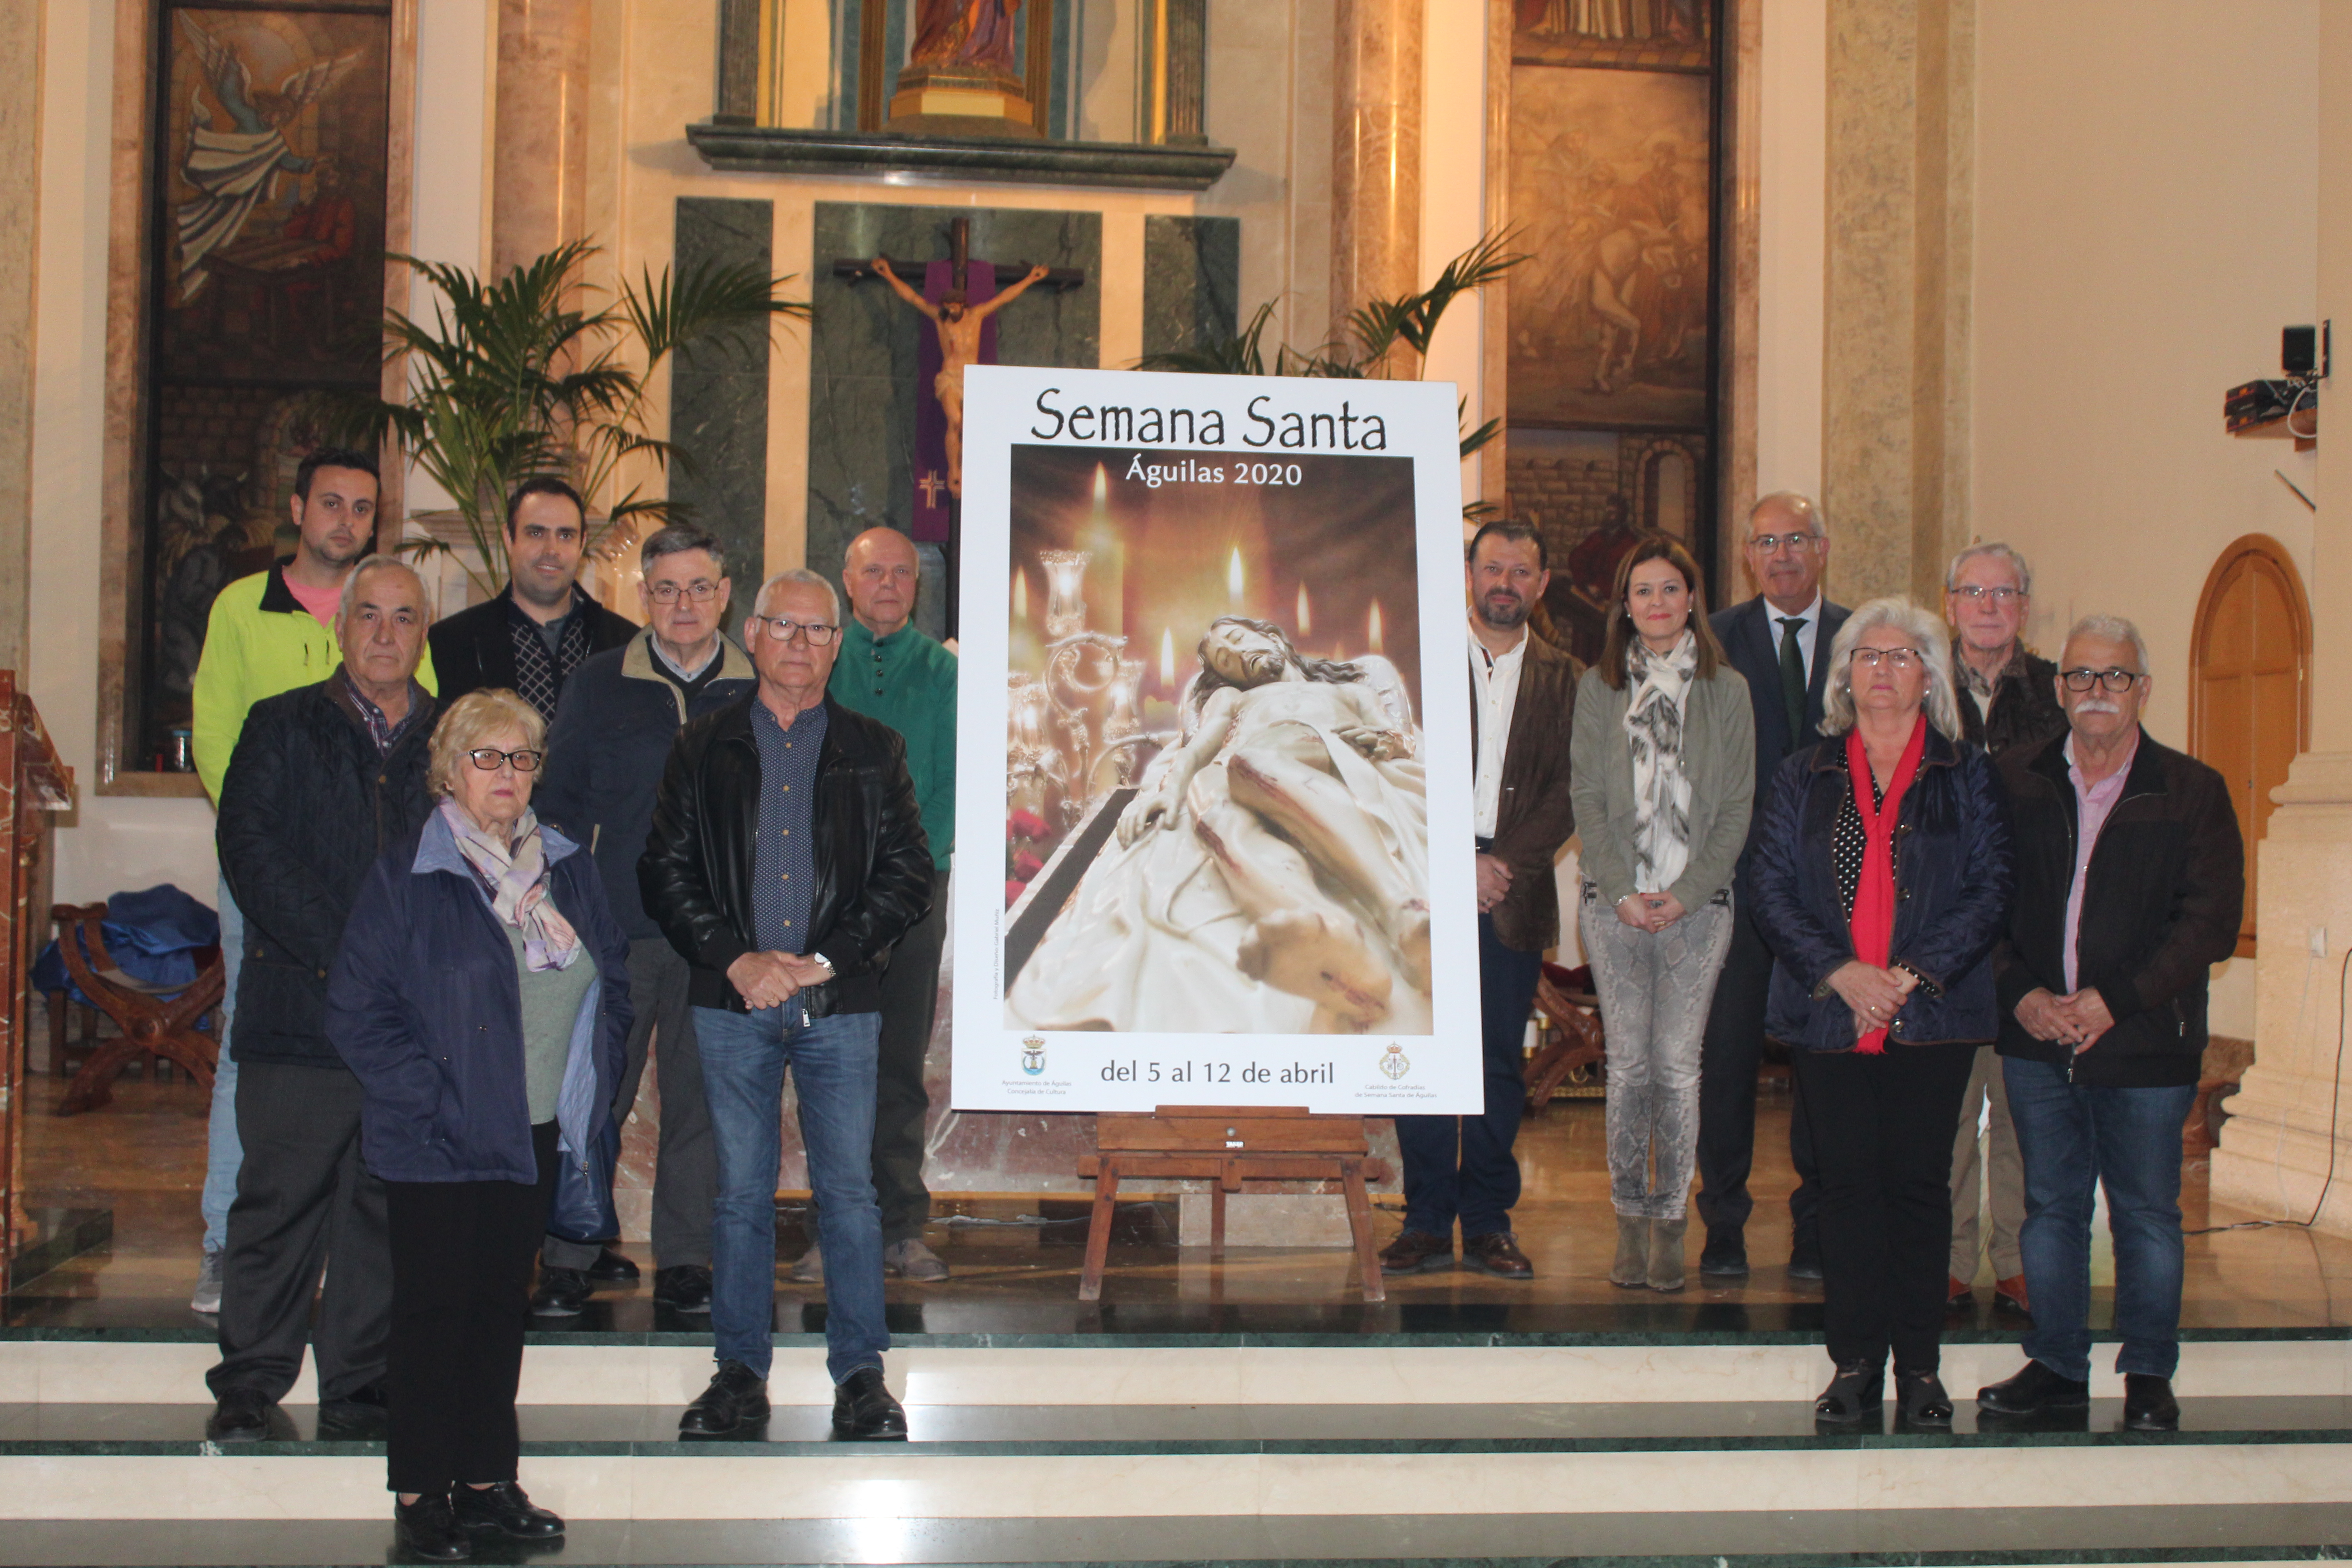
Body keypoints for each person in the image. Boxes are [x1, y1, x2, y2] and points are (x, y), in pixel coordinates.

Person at [328, 690, 632, 1562]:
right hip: (438, 1132)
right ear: (448, 769)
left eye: (522, 758)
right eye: (486, 757)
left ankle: (486, 1479)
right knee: (434, 1312)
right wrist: (430, 1094)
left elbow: (610, 975)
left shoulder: (566, 866)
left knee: (500, 1307)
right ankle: (422, 1492)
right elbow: (355, 1009)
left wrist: (590, 1085)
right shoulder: (411, 872)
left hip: (531, 1127)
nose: (507, 773)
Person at [639, 569, 934, 1440]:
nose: (800, 644)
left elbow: (907, 873)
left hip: (838, 1004)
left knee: (849, 1195)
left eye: (817, 631)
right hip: (732, 1001)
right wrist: (735, 959)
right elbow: (663, 868)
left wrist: (824, 961)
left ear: (836, 647)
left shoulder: (874, 750)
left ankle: (861, 1378)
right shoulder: (702, 745)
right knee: (738, 1196)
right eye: (784, 626)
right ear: (752, 633)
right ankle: (738, 1376)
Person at [1749, 598, 2012, 1427]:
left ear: (1928, 677)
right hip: (1829, 1011)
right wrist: (1841, 973)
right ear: (1844, 676)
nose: (1883, 670)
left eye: (1901, 657)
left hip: (1928, 1013)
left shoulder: (1966, 772)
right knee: (1845, 1190)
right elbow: (1769, 886)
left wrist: (1907, 976)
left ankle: (1921, 1369)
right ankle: (1855, 1363)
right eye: (1868, 656)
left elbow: (1990, 886)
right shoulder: (1803, 773)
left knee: (1919, 1188)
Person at [1978, 615, 2243, 1434]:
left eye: (2115, 676)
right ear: (2059, 689)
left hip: (2144, 1043)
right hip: (2036, 1039)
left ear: (2142, 689)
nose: (2097, 690)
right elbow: (1980, 901)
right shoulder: (2012, 780)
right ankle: (2057, 1365)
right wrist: (2021, 993)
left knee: (2145, 1215)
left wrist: (2113, 1000)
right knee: (2050, 1210)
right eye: (2081, 676)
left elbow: (2209, 923)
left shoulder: (2191, 790)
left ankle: (2148, 1375)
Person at [203, 556, 441, 1443]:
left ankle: (361, 1381)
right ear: (340, 629)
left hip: (406, 1027)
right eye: (368, 614)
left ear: (423, 635)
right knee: (278, 1204)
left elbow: (478, 856)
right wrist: (350, 954)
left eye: (403, 617)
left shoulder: (451, 739)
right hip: (298, 1014)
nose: (384, 633)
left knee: (380, 1208)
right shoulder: (280, 723)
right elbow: (250, 847)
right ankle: (250, 1380)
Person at [187, 446, 427, 1314]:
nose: (346, 520)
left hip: (379, 892)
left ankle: (349, 1258)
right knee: (251, 1054)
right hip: (273, 877)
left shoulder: (391, 604)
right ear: (297, 509)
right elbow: (218, 738)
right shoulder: (240, 605)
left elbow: (427, 751)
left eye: (362, 507)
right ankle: (226, 1240)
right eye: (331, 503)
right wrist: (276, 850)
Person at [527, 526, 757, 1317]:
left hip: (717, 942)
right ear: (643, 597)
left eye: (698, 587)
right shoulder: (599, 683)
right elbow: (557, 805)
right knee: (593, 1097)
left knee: (700, 1106)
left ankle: (687, 1258)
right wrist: (566, 910)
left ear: (724, 594)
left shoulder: (759, 685)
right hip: (614, 933)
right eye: (666, 589)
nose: (683, 603)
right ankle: (568, 1253)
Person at [1007, 614, 1428, 1034]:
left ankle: (1401, 912)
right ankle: (1329, 940)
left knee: (1253, 763)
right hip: (1235, 766)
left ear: (1272, 637)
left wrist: (1386, 741)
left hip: (1314, 749)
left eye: (1239, 640)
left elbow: (1397, 736)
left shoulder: (1349, 691)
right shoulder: (1232, 699)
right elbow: (1199, 748)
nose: (1238, 656)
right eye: (1225, 661)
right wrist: (1170, 790)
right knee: (1213, 806)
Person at [1383, 520, 1577, 1280]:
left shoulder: (1567, 678)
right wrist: (1452, 863)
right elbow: (1394, 771)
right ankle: (1426, 1220)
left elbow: (1570, 789)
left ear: (1541, 583)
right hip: (1424, 886)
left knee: (1498, 1060)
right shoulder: (1419, 662)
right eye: (1493, 568)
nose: (1505, 583)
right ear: (1469, 573)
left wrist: (1499, 864)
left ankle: (1490, 1221)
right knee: (1423, 1053)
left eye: (1521, 571)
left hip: (1510, 890)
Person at [1569, 539, 1753, 1294]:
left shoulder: (1727, 691)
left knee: (1676, 1068)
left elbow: (1736, 805)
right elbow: (1586, 796)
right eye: (1642, 590)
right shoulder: (1598, 687)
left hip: (1697, 907)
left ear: (1691, 599)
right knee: (1628, 1068)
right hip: (1612, 905)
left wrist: (1688, 891)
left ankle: (1670, 1222)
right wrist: (1619, 889)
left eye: (1669, 589)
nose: (1656, 603)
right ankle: (1629, 1220)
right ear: (1624, 604)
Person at [793, 527, 959, 1286]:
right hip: (826, 894)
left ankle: (900, 1228)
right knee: (832, 1064)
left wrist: (909, 871)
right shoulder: (818, 663)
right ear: (848, 581)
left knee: (898, 1064)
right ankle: (833, 1228)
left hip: (916, 893)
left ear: (916, 587)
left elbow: (953, 784)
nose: (888, 584)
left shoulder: (946, 673)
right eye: (874, 572)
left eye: (901, 572)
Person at [1698, 491, 1852, 1280]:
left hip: (1833, 895)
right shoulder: (1714, 640)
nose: (1782, 554)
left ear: (1822, 549)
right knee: (1725, 1059)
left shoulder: (1860, 639)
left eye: (1796, 539)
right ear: (1747, 556)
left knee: (1822, 1064)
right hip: (1735, 885)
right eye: (1767, 542)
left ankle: (1816, 1228)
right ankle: (1723, 1223)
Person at [1940, 541, 2067, 1314]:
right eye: (1973, 592)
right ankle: (1949, 1258)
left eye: (2004, 593)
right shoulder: (1920, 682)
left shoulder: (2057, 690)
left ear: (2023, 605)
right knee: (1948, 1107)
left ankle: (2019, 1259)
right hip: (1943, 929)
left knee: (2022, 1105)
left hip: (2030, 926)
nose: (1988, 607)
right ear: (1949, 603)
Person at [426, 478, 637, 719]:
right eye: (536, 533)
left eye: (566, 536)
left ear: (582, 544)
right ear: (509, 539)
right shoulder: (452, 644)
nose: (552, 550)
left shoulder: (627, 646)